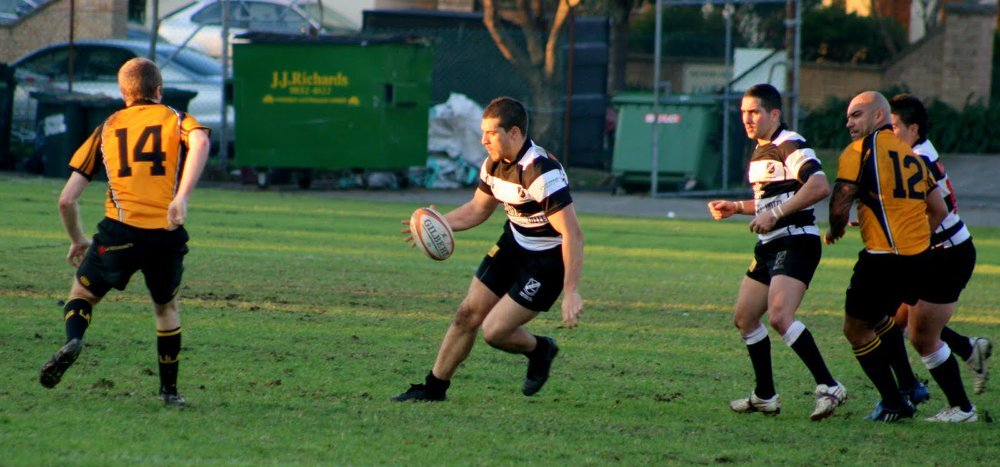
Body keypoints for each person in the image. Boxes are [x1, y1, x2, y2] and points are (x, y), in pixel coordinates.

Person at [38, 58, 210, 407]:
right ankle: (169, 392)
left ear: (123, 93)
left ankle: (74, 339)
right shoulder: (176, 118)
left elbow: (66, 200)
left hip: (119, 232)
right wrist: (181, 198)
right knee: (166, 309)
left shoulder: (108, 126)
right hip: (166, 232)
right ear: (158, 90)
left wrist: (78, 239)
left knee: (82, 295)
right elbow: (202, 143)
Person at [392, 96, 584, 401]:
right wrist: (437, 224)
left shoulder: (539, 171)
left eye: (491, 133)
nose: (484, 140)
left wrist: (571, 291)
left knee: (494, 332)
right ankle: (433, 388)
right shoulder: (493, 165)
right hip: (513, 245)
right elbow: (476, 210)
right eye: (483, 133)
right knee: (466, 314)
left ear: (514, 133)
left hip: (546, 262)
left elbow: (572, 233)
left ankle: (540, 349)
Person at [826, 91, 976, 422]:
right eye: (848, 117)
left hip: (903, 257)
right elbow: (935, 208)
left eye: (856, 115)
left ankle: (904, 402)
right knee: (889, 320)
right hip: (920, 256)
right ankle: (910, 386)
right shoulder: (911, 156)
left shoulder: (865, 153)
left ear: (879, 116)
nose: (849, 123)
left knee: (865, 330)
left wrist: (835, 229)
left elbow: (841, 200)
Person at [707, 84, 845, 420]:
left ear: (774, 114)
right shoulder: (760, 151)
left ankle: (830, 386)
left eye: (754, 112)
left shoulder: (789, 143)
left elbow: (819, 186)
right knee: (744, 318)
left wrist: (776, 214)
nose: (747, 119)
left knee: (781, 316)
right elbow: (770, 202)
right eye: (743, 112)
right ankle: (765, 395)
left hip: (796, 240)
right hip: (770, 245)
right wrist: (737, 207)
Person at [885, 94, 991, 397]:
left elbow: (937, 212)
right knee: (893, 322)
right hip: (939, 251)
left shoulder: (917, 161)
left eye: (894, 127)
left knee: (920, 335)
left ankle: (959, 407)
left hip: (947, 254)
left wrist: (910, 246)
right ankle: (965, 351)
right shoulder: (917, 153)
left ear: (914, 129)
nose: (889, 134)